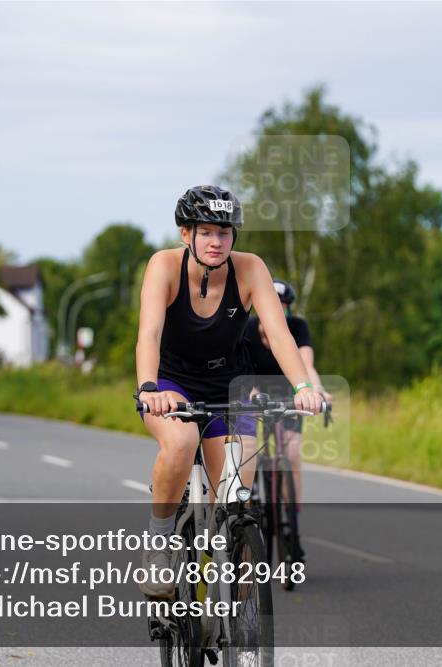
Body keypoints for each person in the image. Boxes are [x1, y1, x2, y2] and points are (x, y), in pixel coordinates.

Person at [134, 185, 323, 598]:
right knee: (181, 442)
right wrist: (149, 388)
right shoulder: (164, 266)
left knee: (235, 494)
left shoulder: (251, 268)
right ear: (186, 234)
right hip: (171, 383)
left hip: (230, 385)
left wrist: (303, 386)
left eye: (224, 232)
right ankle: (160, 543)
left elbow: (279, 335)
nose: (215, 241)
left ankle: (234, 586)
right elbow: (148, 333)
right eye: (205, 231)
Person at [243, 279, 332, 507]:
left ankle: (291, 528)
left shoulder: (298, 326)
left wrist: (317, 390)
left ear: (288, 308)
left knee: (291, 455)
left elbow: (307, 366)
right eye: (271, 303)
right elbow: (242, 368)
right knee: (247, 448)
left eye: (282, 305)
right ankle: (247, 498)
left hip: (289, 394)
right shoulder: (246, 327)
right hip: (253, 390)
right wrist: (251, 395)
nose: (276, 309)